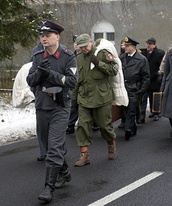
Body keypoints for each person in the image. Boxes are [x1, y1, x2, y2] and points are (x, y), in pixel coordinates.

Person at [26, 19, 77, 202]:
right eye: (42, 36)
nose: (44, 39)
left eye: (47, 35)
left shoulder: (68, 56)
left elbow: (71, 81)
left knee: (54, 147)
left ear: (57, 36)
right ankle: (64, 172)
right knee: (49, 147)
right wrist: (39, 72)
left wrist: (51, 75)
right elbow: (30, 81)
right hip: (42, 106)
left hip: (60, 107)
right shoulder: (38, 55)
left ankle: (48, 187)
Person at [72, 34, 118, 167]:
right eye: (81, 47)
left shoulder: (102, 53)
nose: (84, 49)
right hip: (84, 97)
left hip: (101, 97)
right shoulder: (79, 58)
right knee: (83, 126)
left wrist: (98, 63)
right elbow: (77, 80)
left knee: (104, 125)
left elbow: (114, 70)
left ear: (91, 42)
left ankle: (110, 142)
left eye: (85, 46)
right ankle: (84, 155)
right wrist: (74, 98)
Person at [120, 36, 150, 140]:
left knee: (131, 110)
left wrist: (141, 90)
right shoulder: (122, 58)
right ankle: (133, 127)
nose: (125, 48)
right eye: (125, 46)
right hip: (123, 88)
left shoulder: (142, 59)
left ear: (133, 46)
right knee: (126, 108)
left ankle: (128, 129)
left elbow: (146, 77)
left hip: (134, 88)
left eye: (127, 46)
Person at [138, 38, 165, 122]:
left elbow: (161, 66)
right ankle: (142, 115)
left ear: (154, 45)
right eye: (147, 44)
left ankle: (156, 112)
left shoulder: (159, 53)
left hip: (155, 78)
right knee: (144, 97)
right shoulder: (143, 53)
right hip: (145, 79)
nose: (148, 45)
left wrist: (159, 74)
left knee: (155, 96)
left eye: (150, 44)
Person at [66, 35, 81, 134]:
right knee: (74, 105)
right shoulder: (71, 56)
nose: (76, 45)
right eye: (74, 43)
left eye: (78, 43)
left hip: (84, 85)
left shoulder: (88, 55)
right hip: (74, 85)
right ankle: (70, 125)